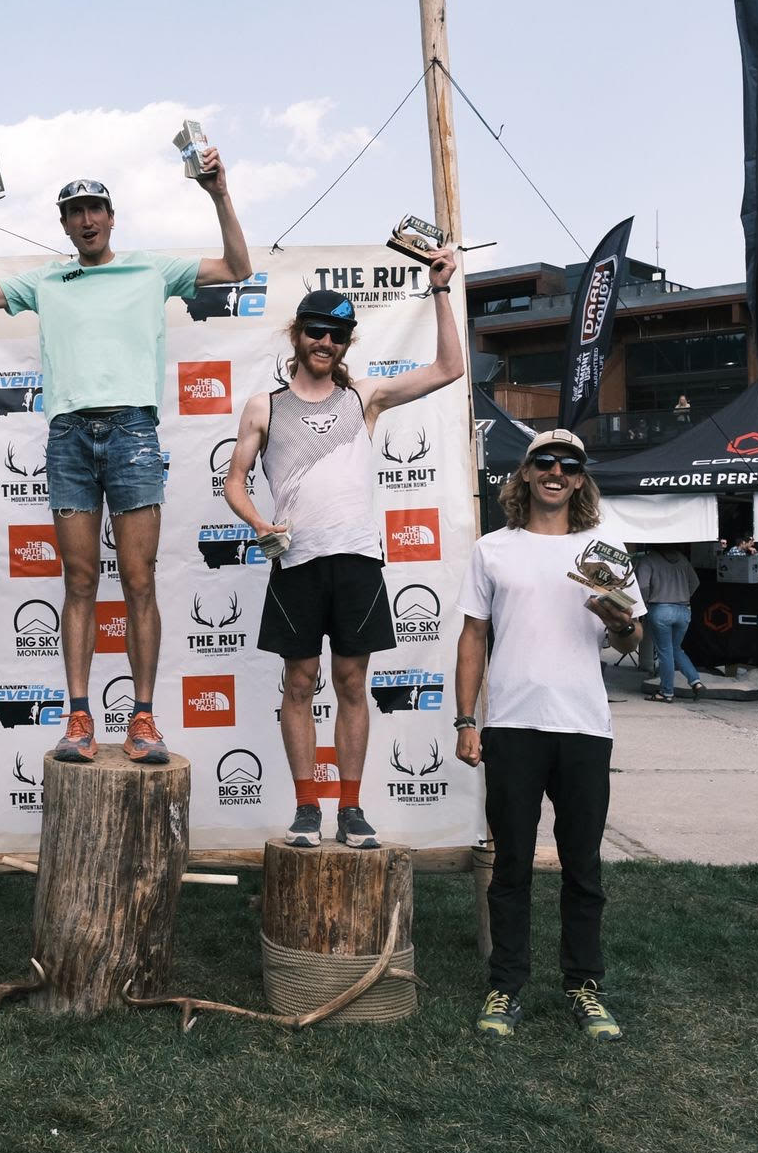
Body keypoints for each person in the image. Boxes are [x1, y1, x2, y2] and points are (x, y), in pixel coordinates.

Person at [0, 151, 251, 765]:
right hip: (69, 436)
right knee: (79, 581)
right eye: (74, 212)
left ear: (111, 217)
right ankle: (78, 716)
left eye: (94, 209)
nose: (85, 220)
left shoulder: (151, 268)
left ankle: (142, 718)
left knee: (140, 581)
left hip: (134, 430)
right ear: (64, 224)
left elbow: (239, 267)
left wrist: (218, 193)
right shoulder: (46, 279)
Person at [223, 253, 464, 850]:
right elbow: (234, 480)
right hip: (296, 563)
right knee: (298, 684)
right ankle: (308, 808)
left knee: (353, 684)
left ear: (346, 342)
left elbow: (449, 368)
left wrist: (439, 292)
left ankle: (351, 809)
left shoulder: (365, 397)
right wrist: (259, 522)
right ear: (297, 335)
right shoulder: (264, 406)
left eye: (337, 334)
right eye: (315, 330)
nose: (325, 341)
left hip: (357, 559)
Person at [454, 429, 644, 1043]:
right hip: (511, 724)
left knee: (583, 866)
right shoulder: (493, 549)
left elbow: (629, 641)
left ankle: (585, 987)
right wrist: (465, 720)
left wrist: (621, 626)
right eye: (545, 462)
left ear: (581, 479)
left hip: (585, 726)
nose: (557, 471)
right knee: (510, 866)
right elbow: (472, 637)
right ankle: (506, 984)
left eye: (569, 464)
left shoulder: (605, 549)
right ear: (527, 473)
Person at [634, 545, 706, 702]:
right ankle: (696, 681)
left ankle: (666, 692)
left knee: (665, 652)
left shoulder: (648, 560)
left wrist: (644, 605)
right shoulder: (683, 559)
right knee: (676, 649)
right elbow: (695, 582)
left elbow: (642, 586)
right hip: (684, 610)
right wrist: (684, 596)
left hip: (660, 609)